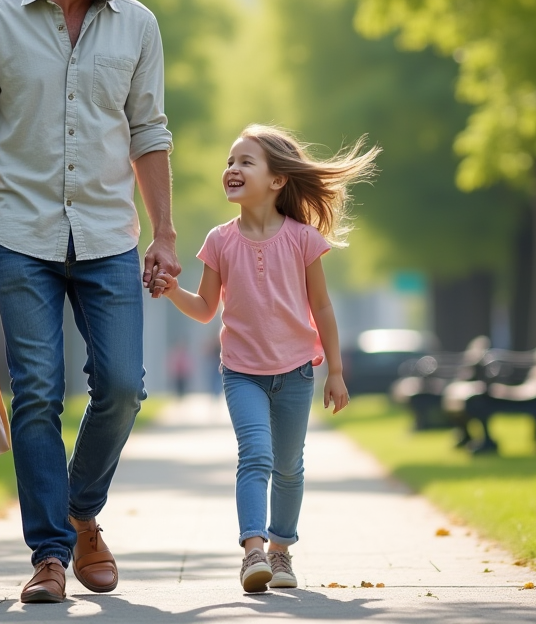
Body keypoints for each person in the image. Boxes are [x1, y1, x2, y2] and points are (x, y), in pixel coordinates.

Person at [0, 0, 181, 604]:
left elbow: (150, 132)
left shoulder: (138, 25)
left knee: (122, 389)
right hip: (19, 232)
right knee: (37, 392)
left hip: (108, 233)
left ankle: (82, 514)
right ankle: (48, 556)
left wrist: (166, 233)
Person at [151, 124, 379, 593]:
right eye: (230, 161)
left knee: (289, 466)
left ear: (277, 180)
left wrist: (335, 371)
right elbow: (206, 309)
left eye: (245, 162)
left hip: (296, 371)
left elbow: (323, 308)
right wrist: (174, 291)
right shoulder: (219, 240)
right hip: (241, 374)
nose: (232, 169)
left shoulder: (302, 238)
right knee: (255, 454)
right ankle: (252, 551)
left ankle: (281, 553)